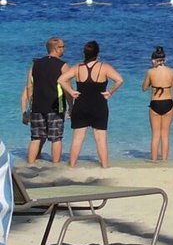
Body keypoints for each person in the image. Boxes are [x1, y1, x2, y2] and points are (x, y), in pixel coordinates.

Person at [62, 40, 123, 169]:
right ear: (98, 54)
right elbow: (119, 80)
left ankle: (72, 165)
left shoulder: (77, 67)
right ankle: (105, 166)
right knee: (100, 139)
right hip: (99, 106)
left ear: (84, 54)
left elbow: (61, 80)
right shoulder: (104, 67)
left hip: (81, 105)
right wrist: (110, 92)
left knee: (78, 138)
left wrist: (72, 91)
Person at [19, 36, 74, 165]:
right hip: (55, 107)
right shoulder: (63, 66)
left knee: (36, 138)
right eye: (62, 46)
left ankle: (30, 164)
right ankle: (55, 166)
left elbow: (29, 87)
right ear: (56, 48)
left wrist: (28, 108)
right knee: (56, 138)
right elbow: (68, 89)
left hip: (37, 107)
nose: (64, 49)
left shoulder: (35, 64)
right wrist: (71, 107)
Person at [141, 45, 173, 161]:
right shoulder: (172, 71)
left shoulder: (150, 72)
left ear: (153, 60)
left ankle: (153, 161)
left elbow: (144, 88)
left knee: (155, 135)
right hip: (168, 103)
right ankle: (164, 161)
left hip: (155, 104)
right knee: (165, 135)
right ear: (165, 59)